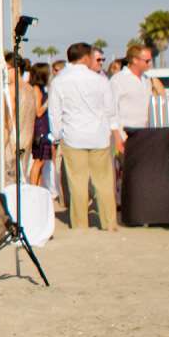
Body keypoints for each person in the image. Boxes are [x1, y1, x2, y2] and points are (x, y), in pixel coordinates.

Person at [50, 42, 123, 233]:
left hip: (73, 136)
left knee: (77, 183)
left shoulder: (59, 81)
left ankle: (80, 223)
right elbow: (110, 110)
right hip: (99, 135)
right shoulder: (100, 80)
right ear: (85, 58)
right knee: (104, 182)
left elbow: (55, 113)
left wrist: (58, 135)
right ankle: (109, 222)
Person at [112, 42, 158, 131]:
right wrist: (117, 136)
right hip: (125, 133)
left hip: (145, 133)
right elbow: (111, 111)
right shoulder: (118, 80)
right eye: (147, 61)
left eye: (150, 60)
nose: (150, 64)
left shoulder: (146, 80)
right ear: (135, 60)